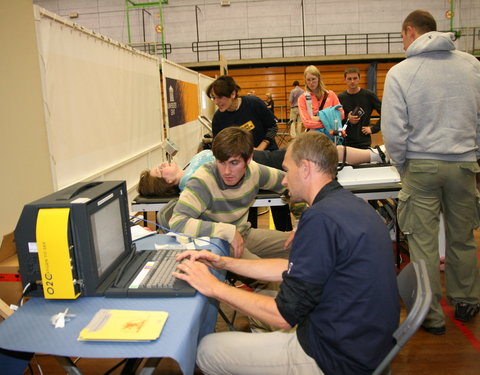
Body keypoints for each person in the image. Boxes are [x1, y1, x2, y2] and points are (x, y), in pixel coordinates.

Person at [173, 132, 400, 375]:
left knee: (207, 349)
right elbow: (291, 268)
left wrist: (214, 288)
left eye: (287, 170)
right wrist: (225, 261)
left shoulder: (320, 218)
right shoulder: (348, 203)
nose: (283, 180)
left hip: (334, 358)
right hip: (367, 347)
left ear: (306, 168)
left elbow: (283, 315)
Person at [382, 9, 480, 334]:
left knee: (422, 242)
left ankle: (430, 315)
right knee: (462, 237)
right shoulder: (472, 66)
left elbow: (394, 131)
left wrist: (402, 165)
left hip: (421, 166)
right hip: (464, 163)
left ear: (410, 32)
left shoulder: (400, 73)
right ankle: (466, 299)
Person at [169, 127, 291, 260]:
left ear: (249, 159)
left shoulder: (255, 171)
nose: (227, 171)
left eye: (234, 163)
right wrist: (227, 231)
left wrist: (300, 223)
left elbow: (293, 185)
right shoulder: (202, 181)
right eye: (221, 162)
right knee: (265, 273)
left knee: (301, 244)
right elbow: (177, 223)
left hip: (243, 233)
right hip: (215, 242)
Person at [138, 145, 389, 197]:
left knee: (323, 148)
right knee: (323, 150)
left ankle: (375, 155)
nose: (161, 166)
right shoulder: (193, 180)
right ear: (167, 182)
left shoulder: (187, 168)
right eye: (159, 172)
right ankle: (375, 155)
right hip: (264, 163)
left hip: (261, 156)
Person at [207, 76, 278, 151]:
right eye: (214, 98)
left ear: (233, 94)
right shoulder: (218, 118)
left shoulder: (253, 103)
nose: (216, 102)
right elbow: (218, 145)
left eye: (220, 97)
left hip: (267, 152)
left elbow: (273, 127)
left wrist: (260, 148)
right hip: (241, 159)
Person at [338, 66, 382, 149]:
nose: (352, 81)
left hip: (364, 142)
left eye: (355, 78)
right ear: (345, 80)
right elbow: (335, 119)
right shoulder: (340, 98)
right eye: (349, 79)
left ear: (359, 79)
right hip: (345, 141)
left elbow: (385, 113)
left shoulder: (369, 95)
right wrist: (348, 119)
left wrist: (373, 129)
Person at [298, 65, 344, 131]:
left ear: (318, 79)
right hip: (312, 136)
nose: (311, 83)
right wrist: (329, 122)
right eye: (308, 80)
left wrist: (320, 118)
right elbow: (306, 123)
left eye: (313, 79)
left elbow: (341, 115)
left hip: (330, 137)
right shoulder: (302, 98)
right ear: (305, 81)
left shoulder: (331, 95)